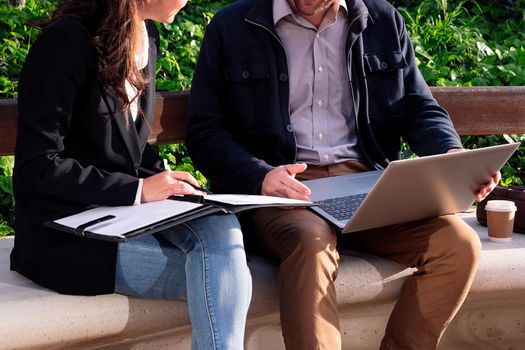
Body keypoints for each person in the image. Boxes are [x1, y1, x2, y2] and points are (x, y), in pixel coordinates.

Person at [186, 0, 500, 349]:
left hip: (367, 183)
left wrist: (450, 155)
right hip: (283, 190)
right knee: (311, 246)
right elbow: (205, 133)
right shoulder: (232, 26)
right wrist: (260, 176)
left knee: (458, 245)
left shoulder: (381, 20)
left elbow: (417, 106)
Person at [10, 1, 251, 348]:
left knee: (220, 225)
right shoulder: (64, 43)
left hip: (126, 217)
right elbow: (38, 167)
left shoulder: (145, 34)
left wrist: (168, 183)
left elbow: (129, 146)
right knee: (226, 278)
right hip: (69, 237)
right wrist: (137, 190)